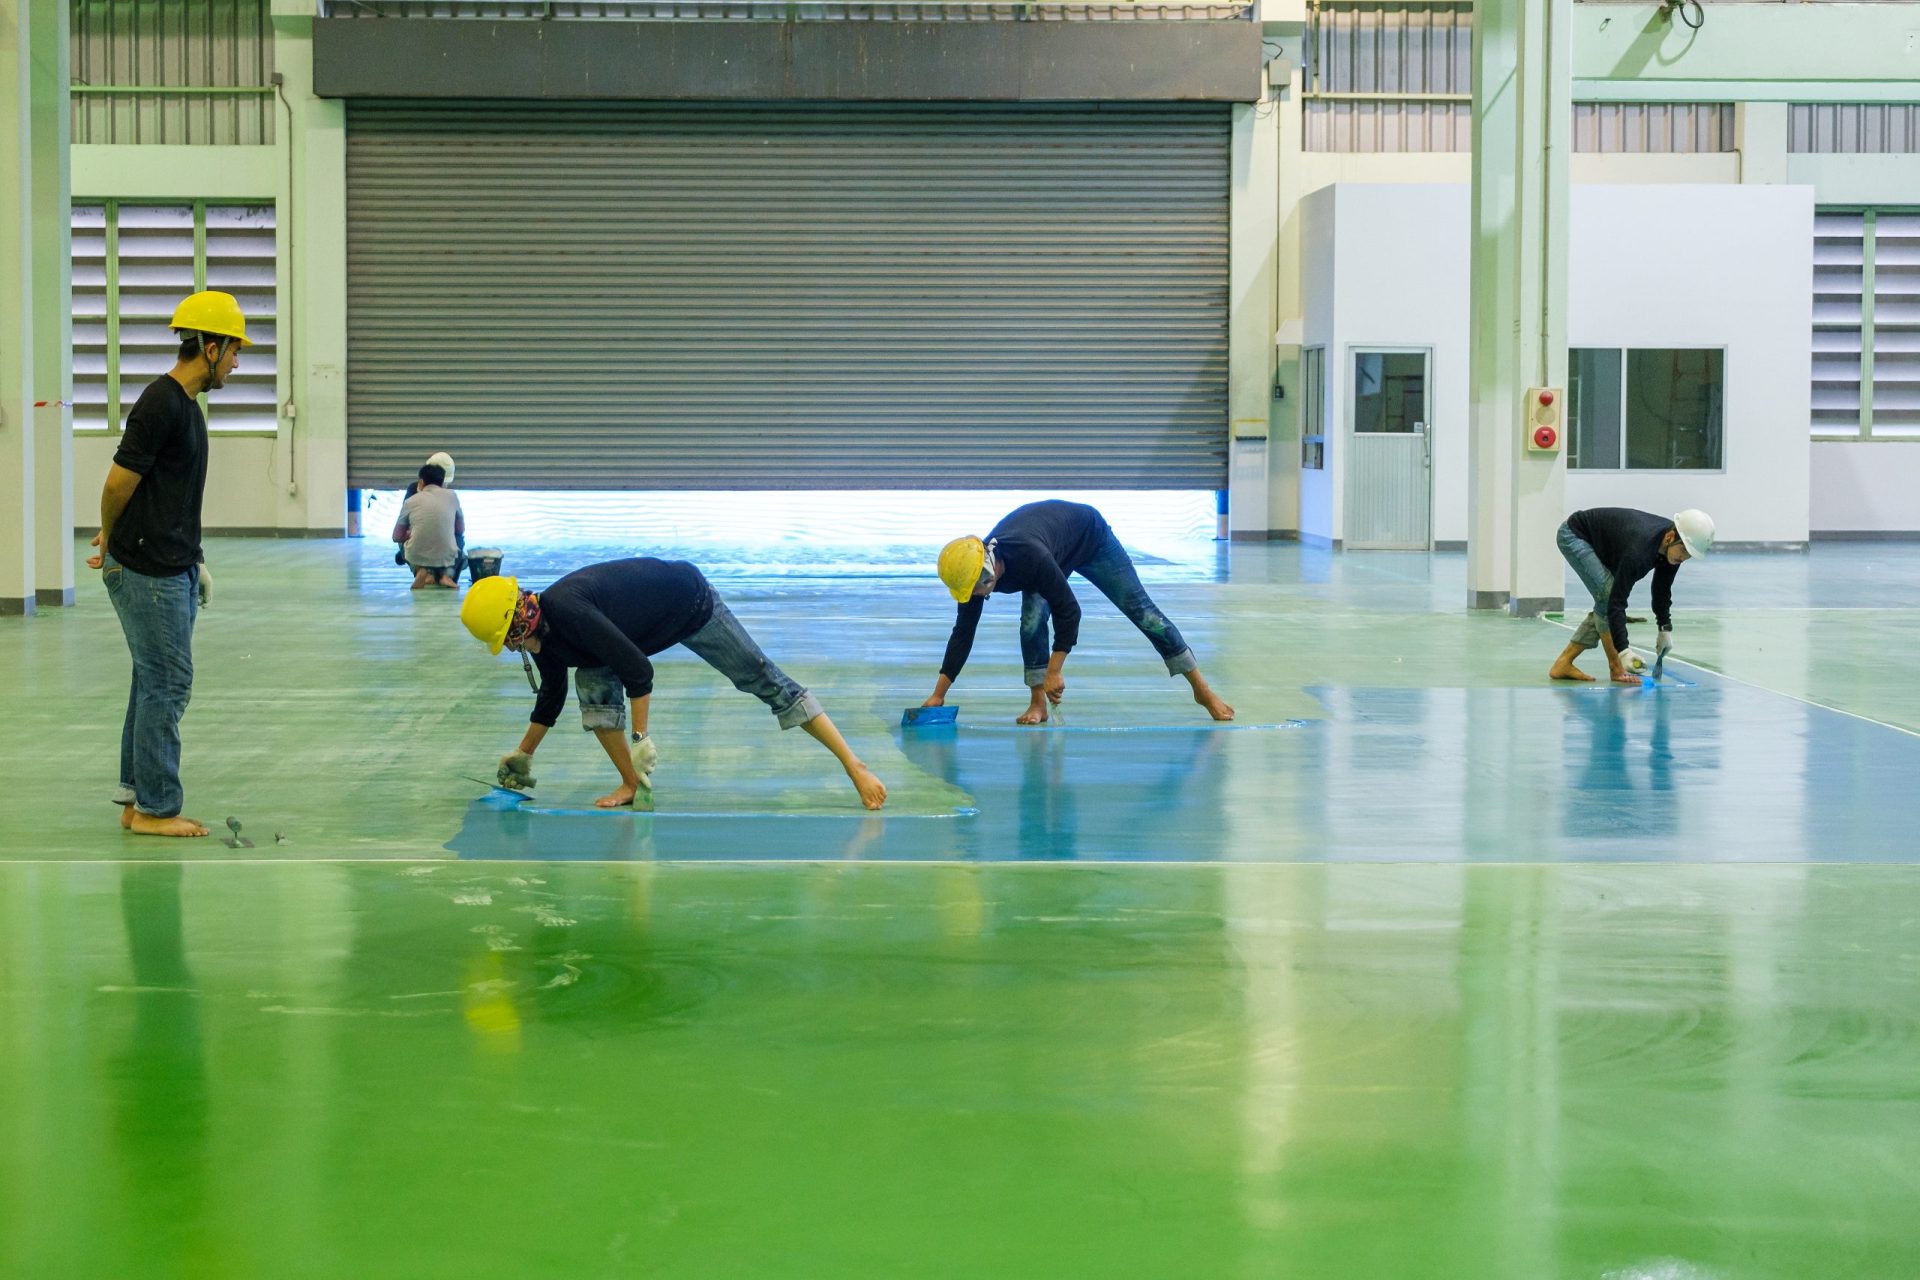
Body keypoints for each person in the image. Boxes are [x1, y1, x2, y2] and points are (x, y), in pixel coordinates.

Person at [459, 559, 887, 810]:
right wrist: (523, 755)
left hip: (689, 604)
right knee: (591, 685)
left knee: (761, 678)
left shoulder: (568, 612)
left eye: (509, 639)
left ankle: (854, 764)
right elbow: (550, 696)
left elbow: (638, 671)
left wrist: (642, 736)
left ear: (519, 621)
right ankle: (631, 784)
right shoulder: (542, 634)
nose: (513, 648)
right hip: (635, 628)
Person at [84, 290, 248, 838]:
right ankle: (157, 808)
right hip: (148, 572)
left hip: (169, 567)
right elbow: (116, 483)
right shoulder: (161, 404)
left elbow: (170, 496)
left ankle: (137, 799)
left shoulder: (185, 408)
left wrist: (193, 559)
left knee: (150, 681)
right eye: (232, 351)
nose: (236, 362)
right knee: (168, 683)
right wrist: (109, 537)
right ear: (209, 346)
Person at [923, 499, 1234, 725]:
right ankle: (1037, 704)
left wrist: (1055, 670)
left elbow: (1069, 610)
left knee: (1143, 612)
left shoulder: (1027, 556)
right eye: (972, 592)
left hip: (1090, 536)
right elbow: (963, 632)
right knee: (1031, 622)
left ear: (989, 567)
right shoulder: (971, 577)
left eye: (981, 588)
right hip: (1053, 544)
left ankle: (1202, 690)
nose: (977, 596)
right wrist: (939, 695)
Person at [1549, 507, 1714, 685]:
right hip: (1574, 535)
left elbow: (1661, 590)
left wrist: (1664, 628)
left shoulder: (1672, 547)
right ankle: (1616, 667)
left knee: (1605, 601)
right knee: (1607, 597)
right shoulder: (1639, 551)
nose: (1683, 558)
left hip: (1606, 543)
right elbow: (1616, 603)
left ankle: (1563, 663)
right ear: (1669, 538)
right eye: (1683, 551)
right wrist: (1623, 651)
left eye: (1689, 555)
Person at [393, 462, 464, 589]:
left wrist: (410, 533)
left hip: (417, 553)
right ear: (442, 482)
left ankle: (420, 571)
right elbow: (460, 530)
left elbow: (396, 536)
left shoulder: (410, 501)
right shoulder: (452, 496)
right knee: (459, 539)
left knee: (403, 542)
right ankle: (446, 576)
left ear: (421, 482)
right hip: (446, 555)